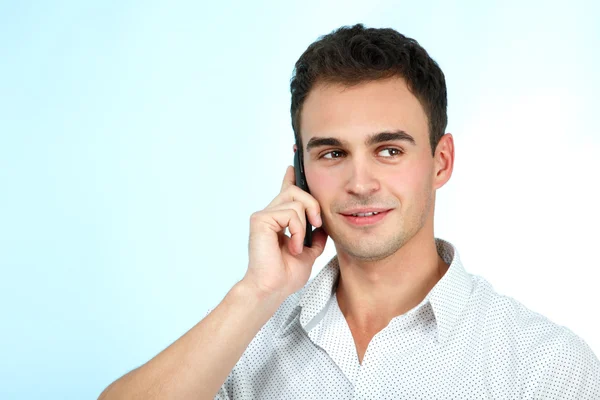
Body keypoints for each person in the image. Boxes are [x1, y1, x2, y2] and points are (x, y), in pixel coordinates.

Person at [98, 23, 600, 399]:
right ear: (299, 172)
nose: (360, 184)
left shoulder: (546, 366)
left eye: (389, 150)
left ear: (440, 161)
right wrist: (257, 293)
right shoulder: (248, 341)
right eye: (332, 154)